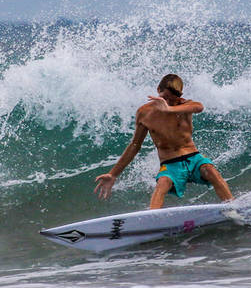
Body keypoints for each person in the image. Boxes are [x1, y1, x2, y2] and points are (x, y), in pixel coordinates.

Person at [94, 74, 234, 209]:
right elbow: (135, 145)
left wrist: (169, 109)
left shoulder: (185, 106)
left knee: (211, 171)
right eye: (165, 98)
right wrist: (113, 174)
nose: (169, 102)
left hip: (193, 158)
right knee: (162, 183)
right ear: (158, 90)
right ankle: (153, 219)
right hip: (170, 163)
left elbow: (199, 107)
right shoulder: (144, 113)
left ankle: (232, 208)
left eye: (173, 99)